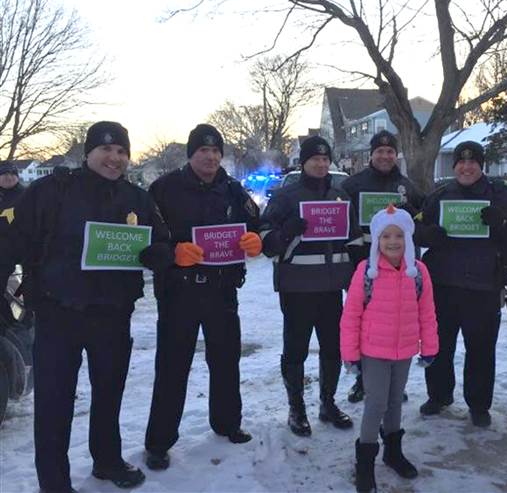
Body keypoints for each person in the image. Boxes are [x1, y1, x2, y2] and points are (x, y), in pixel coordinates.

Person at [0, 121, 172, 493]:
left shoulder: (137, 199)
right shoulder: (52, 190)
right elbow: (11, 241)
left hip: (112, 315)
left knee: (109, 392)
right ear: (88, 152)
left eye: (122, 151)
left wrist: (159, 254)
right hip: (57, 314)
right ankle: (54, 483)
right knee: (54, 403)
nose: (115, 158)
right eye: (106, 150)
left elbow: (161, 243)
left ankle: (107, 461)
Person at [144, 124, 263, 470]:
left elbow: (254, 225)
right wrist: (171, 253)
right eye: (203, 151)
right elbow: (145, 242)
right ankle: (159, 441)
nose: (210, 157)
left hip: (222, 290)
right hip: (179, 291)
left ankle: (227, 422)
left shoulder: (233, 189)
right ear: (191, 154)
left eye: (215, 151)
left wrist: (255, 240)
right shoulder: (163, 189)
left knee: (226, 360)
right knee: (172, 366)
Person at [415, 141, 507, 427]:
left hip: (484, 284)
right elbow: (414, 227)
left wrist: (503, 224)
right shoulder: (440, 195)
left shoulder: (501, 195)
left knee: (480, 348)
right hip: (444, 284)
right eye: (461, 163)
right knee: (440, 345)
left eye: (473, 163)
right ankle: (439, 395)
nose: (466, 168)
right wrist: (427, 234)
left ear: (482, 166)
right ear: (454, 167)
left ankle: (479, 405)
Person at [260, 136, 362, 437]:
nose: (320, 163)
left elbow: (353, 237)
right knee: (296, 349)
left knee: (332, 347)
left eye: (324, 159)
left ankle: (327, 403)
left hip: (332, 287)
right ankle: (297, 408)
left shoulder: (339, 195)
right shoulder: (285, 197)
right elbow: (266, 239)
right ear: (303, 162)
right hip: (298, 287)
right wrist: (285, 233)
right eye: (314, 159)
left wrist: (358, 272)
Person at [340, 205, 438, 493]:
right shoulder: (366, 273)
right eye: (385, 236)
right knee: (376, 403)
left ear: (409, 238)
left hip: (404, 350)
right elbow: (351, 315)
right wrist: (350, 354)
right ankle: (365, 461)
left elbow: (427, 312)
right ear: (377, 241)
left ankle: (393, 451)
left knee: (395, 401)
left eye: (399, 235)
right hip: (373, 351)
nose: (393, 242)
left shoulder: (418, 272)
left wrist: (429, 346)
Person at [341, 130, 425, 403]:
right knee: (368, 327)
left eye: (390, 152)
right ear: (372, 154)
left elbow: (422, 222)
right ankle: (363, 381)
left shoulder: (407, 186)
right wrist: (356, 263)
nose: (385, 156)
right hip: (365, 271)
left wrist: (414, 214)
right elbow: (343, 225)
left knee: (393, 325)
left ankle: (392, 384)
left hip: (399, 273)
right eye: (380, 151)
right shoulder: (352, 186)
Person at [0, 160, 25, 320]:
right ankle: (6, 317)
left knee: (31, 286)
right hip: (3, 250)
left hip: (26, 247)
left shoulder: (28, 195)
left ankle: (30, 315)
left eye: (12, 173)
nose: (8, 177)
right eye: (4, 174)